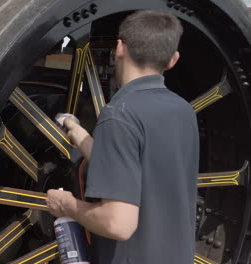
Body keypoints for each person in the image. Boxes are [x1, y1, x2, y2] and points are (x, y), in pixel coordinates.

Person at [46, 10, 199, 264]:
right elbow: (135, 167)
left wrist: (67, 205)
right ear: (173, 59)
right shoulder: (184, 110)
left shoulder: (119, 114)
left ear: (119, 47)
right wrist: (77, 131)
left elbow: (118, 224)